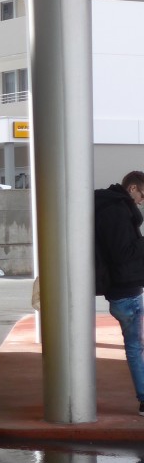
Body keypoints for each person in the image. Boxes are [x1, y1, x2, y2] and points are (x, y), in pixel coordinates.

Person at [94, 171, 144, 415]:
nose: (141, 201)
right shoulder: (116, 211)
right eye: (142, 195)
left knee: (136, 346)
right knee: (135, 347)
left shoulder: (113, 207)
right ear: (133, 188)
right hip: (125, 291)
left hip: (123, 289)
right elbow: (122, 253)